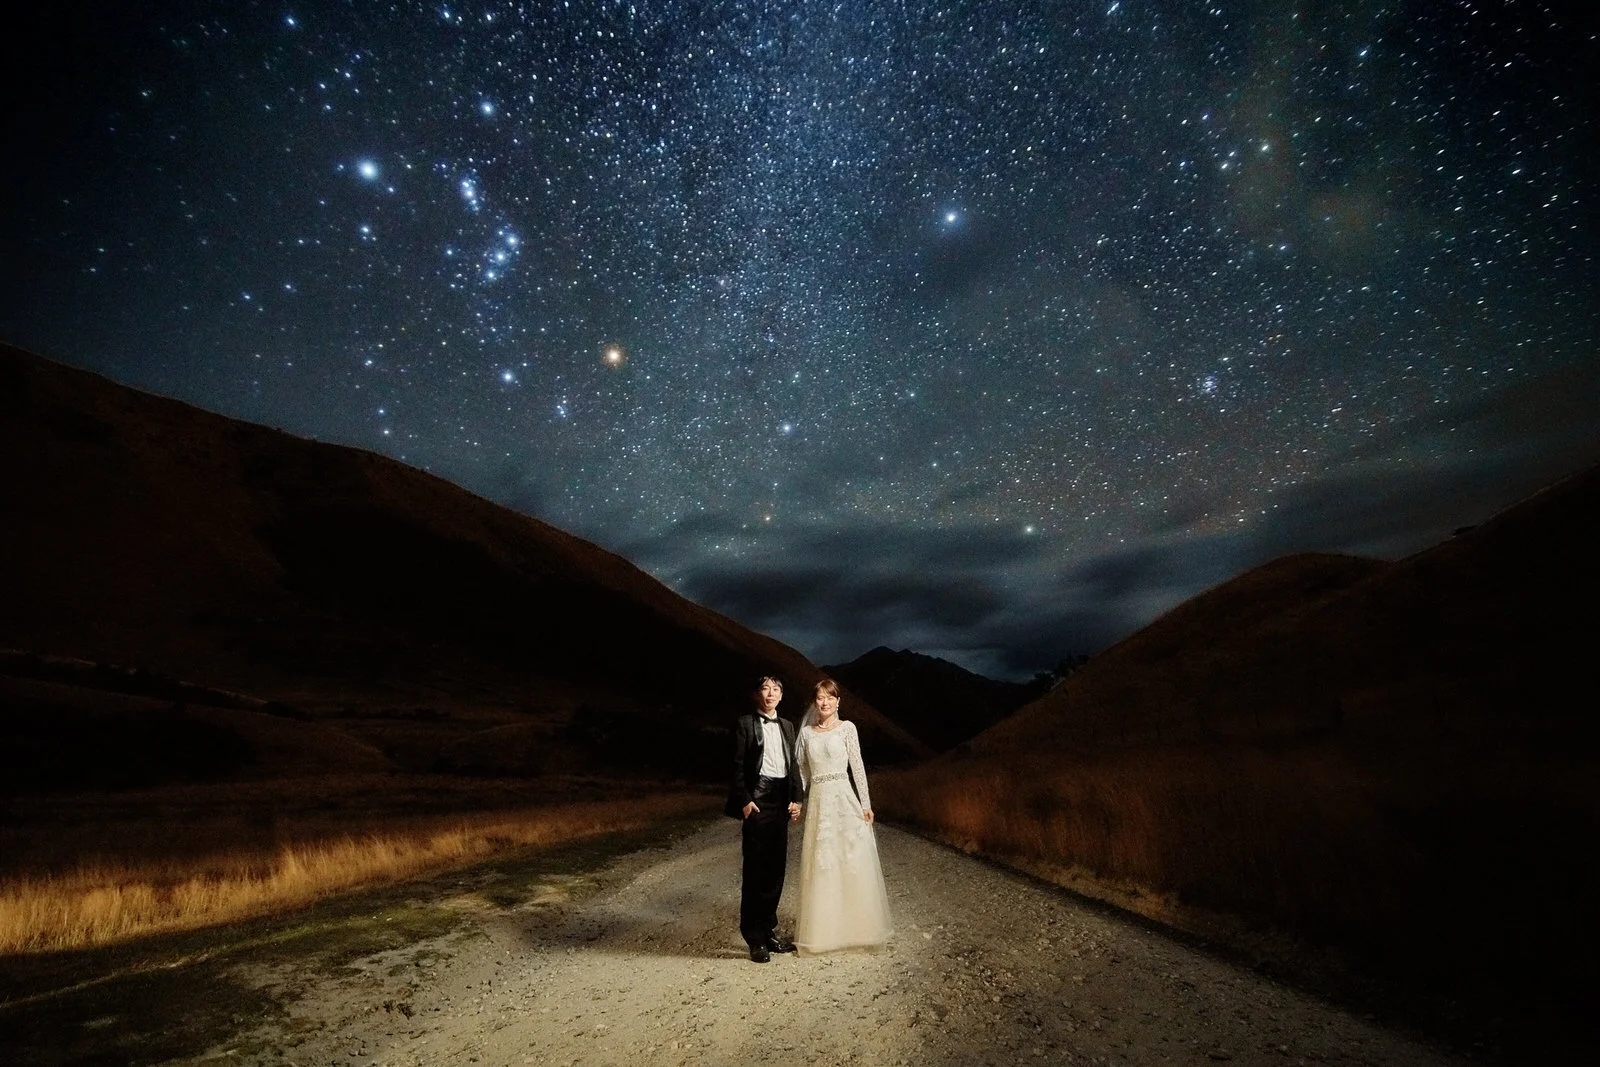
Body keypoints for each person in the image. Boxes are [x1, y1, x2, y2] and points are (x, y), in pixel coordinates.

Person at [792, 677, 892, 955]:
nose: (824, 702)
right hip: (820, 801)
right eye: (820, 698)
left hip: (844, 798)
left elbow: (857, 767)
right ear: (815, 702)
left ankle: (857, 928)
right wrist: (798, 801)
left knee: (850, 859)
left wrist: (865, 804)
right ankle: (824, 932)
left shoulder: (848, 729)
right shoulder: (807, 734)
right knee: (823, 862)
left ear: (838, 701)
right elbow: (802, 772)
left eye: (830, 697)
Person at [725, 674, 803, 963]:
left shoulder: (787, 726)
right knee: (756, 870)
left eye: (776, 689)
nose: (770, 694)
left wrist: (797, 798)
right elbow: (735, 766)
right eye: (765, 689)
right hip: (757, 800)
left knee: (776, 869)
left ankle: (769, 931)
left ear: (781, 696)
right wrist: (745, 800)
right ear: (757, 694)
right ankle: (754, 938)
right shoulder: (745, 723)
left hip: (781, 800)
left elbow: (793, 764)